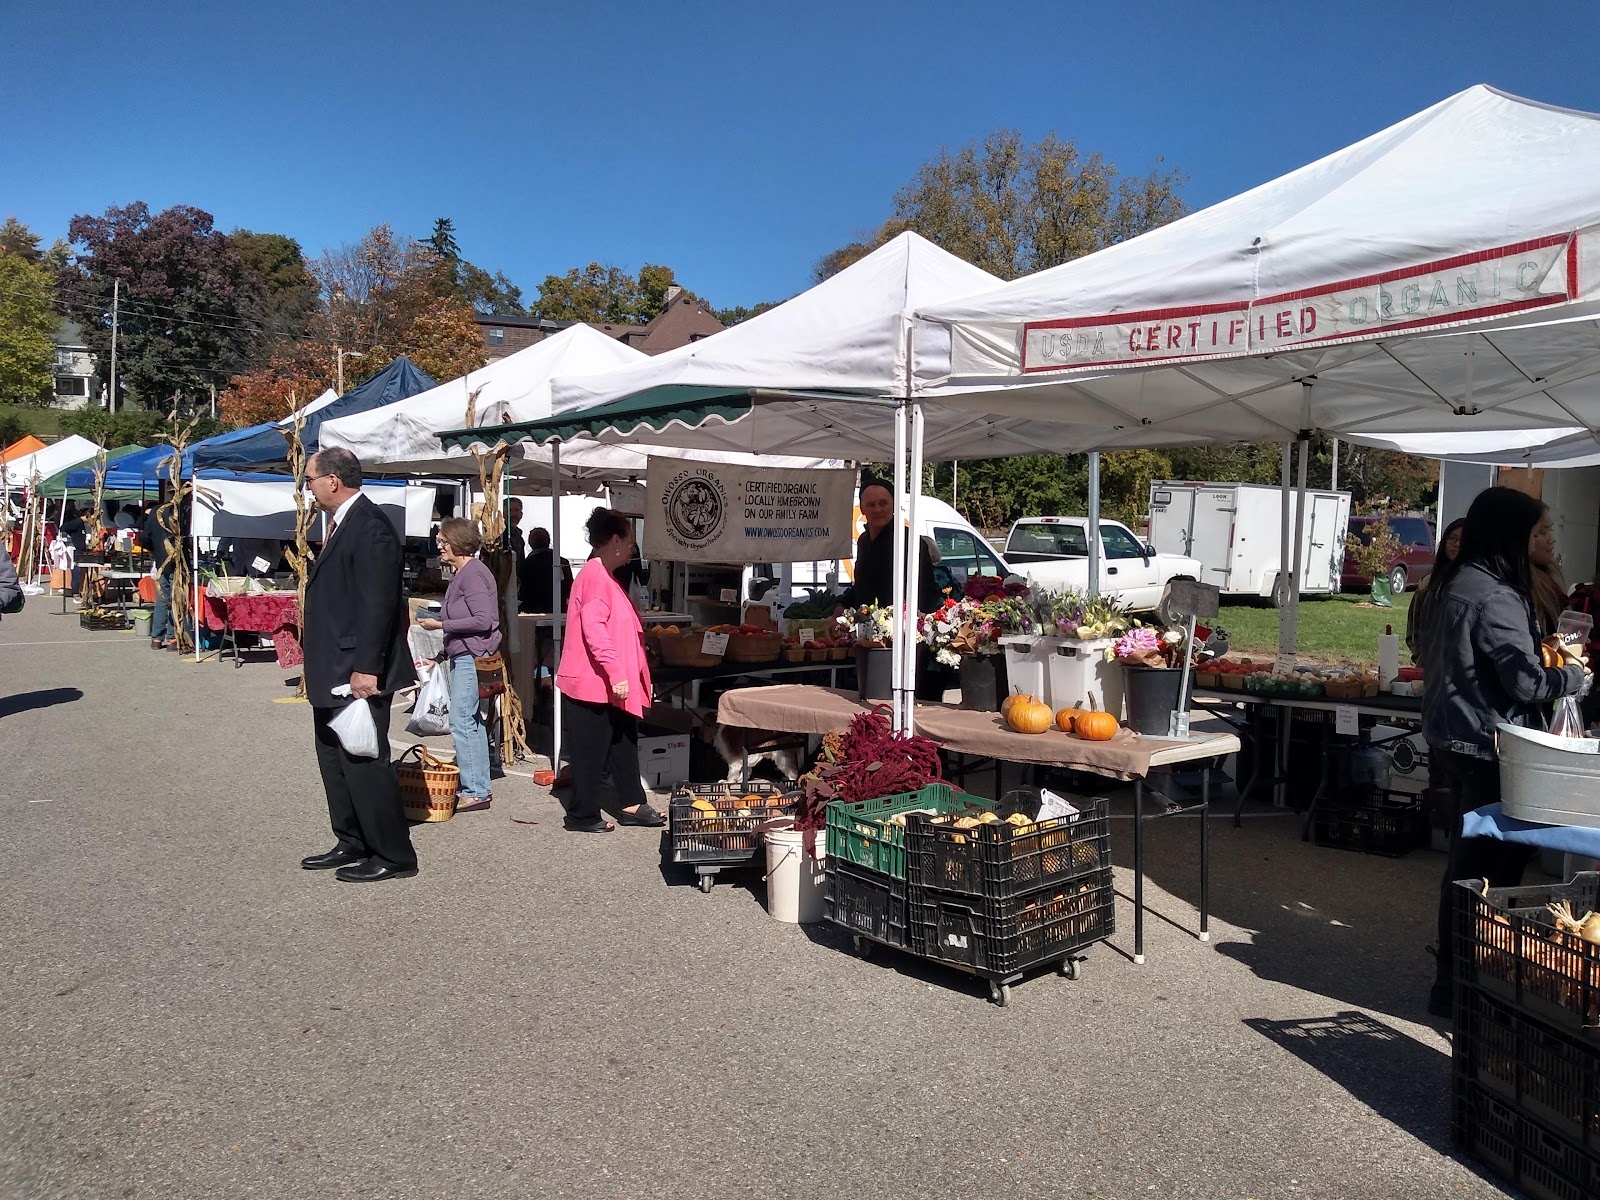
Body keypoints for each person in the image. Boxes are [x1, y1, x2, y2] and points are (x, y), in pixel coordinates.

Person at [1420, 487, 1590, 1018]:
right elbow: (1525, 682)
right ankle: (1466, 983)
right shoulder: (1495, 595)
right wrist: (1574, 676)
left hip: (1455, 737)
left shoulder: (1457, 582)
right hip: (1486, 746)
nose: (1551, 539)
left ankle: (1461, 980)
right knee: (1487, 872)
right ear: (1513, 536)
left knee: (1471, 865)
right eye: (1541, 530)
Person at [299, 447, 419, 883]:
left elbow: (378, 604)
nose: (308, 490)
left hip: (357, 668)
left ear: (333, 480)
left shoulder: (370, 526)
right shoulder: (342, 523)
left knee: (364, 759)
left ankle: (393, 854)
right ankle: (351, 838)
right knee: (333, 759)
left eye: (310, 480)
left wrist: (367, 667)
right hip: (332, 666)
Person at [554, 507, 663, 833]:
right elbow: (594, 630)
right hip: (595, 683)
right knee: (591, 752)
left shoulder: (603, 576)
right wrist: (616, 673)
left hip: (610, 683)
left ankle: (631, 803)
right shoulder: (596, 577)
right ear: (615, 540)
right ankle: (581, 815)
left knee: (623, 743)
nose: (632, 548)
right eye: (629, 541)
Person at [414, 518, 500, 812]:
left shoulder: (473, 574)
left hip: (472, 656)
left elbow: (483, 620)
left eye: (443, 541)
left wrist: (440, 624)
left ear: (458, 542)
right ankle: (476, 786)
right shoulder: (463, 573)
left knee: (462, 720)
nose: (439, 546)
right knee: (469, 721)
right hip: (465, 654)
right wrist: (439, 657)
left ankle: (476, 790)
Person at [1405, 518, 1465, 665]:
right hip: (1429, 666)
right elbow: (1414, 629)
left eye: (1463, 540)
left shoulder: (1478, 585)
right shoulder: (1428, 583)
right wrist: (1421, 657)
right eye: (1452, 538)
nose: (1457, 544)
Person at [143, 501, 177, 651]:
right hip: (177, 563)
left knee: (162, 600)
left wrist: (156, 550)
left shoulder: (156, 511)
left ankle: (156, 639)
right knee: (175, 600)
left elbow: (145, 536)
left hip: (161, 562)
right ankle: (172, 639)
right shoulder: (184, 509)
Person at [519, 527, 572, 614]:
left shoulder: (525, 565)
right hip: (558, 612)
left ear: (530, 543)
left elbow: (521, 592)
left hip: (532, 612)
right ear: (549, 541)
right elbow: (569, 587)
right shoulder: (562, 562)